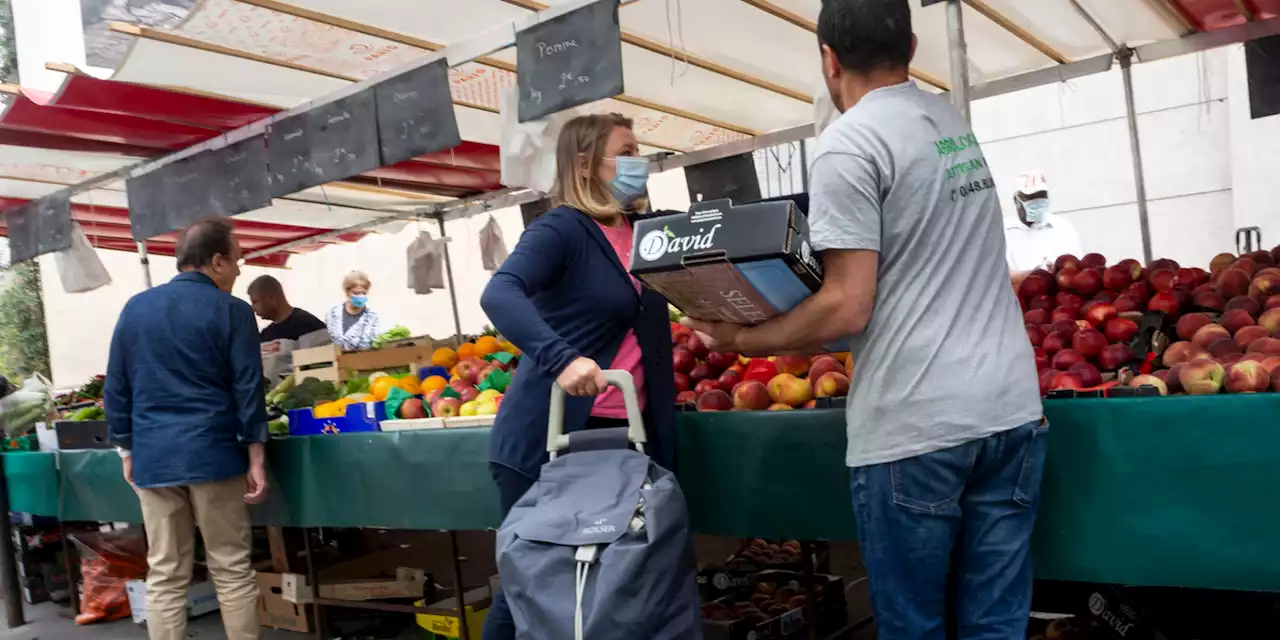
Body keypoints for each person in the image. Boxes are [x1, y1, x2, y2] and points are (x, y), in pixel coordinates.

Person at [682, 1, 1045, 638]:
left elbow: (847, 305)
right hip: (1010, 409)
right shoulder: (945, 119)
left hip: (919, 422)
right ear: (908, 44)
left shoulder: (849, 145)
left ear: (828, 58)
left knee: (913, 626)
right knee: (996, 623)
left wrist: (742, 338)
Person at [478, 113, 678, 640]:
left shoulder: (647, 232)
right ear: (585, 164)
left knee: (609, 585)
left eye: (641, 150)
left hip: (628, 440)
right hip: (553, 441)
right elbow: (500, 293)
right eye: (626, 150)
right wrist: (563, 359)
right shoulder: (562, 229)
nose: (640, 162)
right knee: (536, 583)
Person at [105, 220, 268, 640]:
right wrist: (256, 454)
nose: (238, 271)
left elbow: (117, 386)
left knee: (164, 573)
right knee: (231, 567)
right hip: (214, 453)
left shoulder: (135, 308)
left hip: (154, 457)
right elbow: (247, 386)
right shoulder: (233, 311)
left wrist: (125, 448)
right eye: (236, 260)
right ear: (217, 261)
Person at [1004, 170, 1083, 274]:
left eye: (1042, 196)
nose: (1038, 201)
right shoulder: (1002, 232)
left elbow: (1075, 266)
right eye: (1031, 197)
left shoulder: (1062, 227)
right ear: (1016, 200)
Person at [247, 275, 326, 343]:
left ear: (271, 298)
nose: (253, 308)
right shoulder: (265, 335)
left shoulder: (307, 324)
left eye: (255, 302)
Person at [325, 271, 382, 350]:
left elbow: (375, 343)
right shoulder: (333, 314)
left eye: (363, 293)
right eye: (356, 293)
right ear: (347, 292)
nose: (360, 296)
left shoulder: (372, 317)